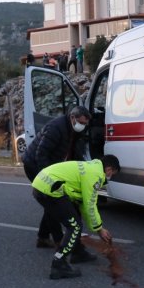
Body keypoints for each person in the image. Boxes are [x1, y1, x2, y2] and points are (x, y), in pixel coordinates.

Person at [31, 155, 119, 279]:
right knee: (75, 226)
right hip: (50, 189)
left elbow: (83, 203)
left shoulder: (91, 167)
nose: (110, 177)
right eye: (112, 174)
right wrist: (99, 229)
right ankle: (58, 264)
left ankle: (77, 252)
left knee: (76, 215)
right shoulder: (95, 175)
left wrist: (96, 227)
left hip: (44, 184)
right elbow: (90, 205)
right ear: (109, 169)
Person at [22, 106, 92, 251]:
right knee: (52, 200)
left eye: (85, 124)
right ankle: (59, 240)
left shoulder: (75, 129)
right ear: (72, 118)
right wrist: (49, 179)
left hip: (52, 166)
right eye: (81, 123)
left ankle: (42, 237)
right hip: (34, 164)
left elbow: (74, 151)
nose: (83, 126)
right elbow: (41, 154)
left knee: (52, 201)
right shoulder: (56, 128)